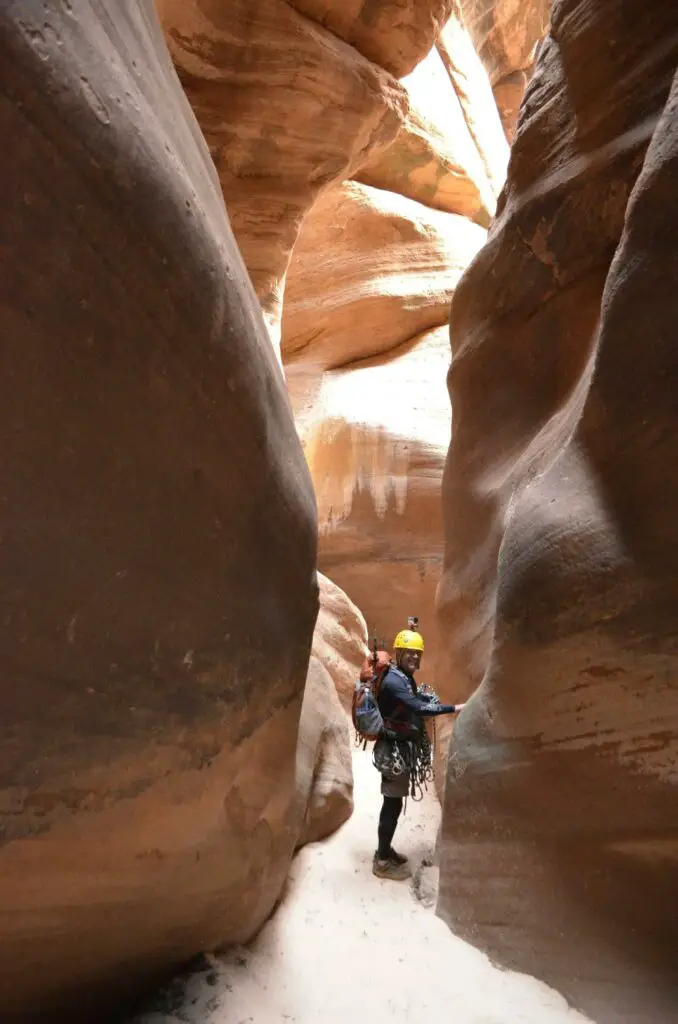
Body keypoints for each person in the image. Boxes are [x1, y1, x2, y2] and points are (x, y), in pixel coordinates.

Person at [373, 627, 463, 881]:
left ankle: (385, 850)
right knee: (391, 804)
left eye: (417, 653)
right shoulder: (393, 680)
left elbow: (413, 698)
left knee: (393, 802)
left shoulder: (402, 677)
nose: (414, 657)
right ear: (399, 653)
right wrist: (453, 707)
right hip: (393, 753)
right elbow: (415, 705)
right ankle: (381, 859)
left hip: (398, 749)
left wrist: (425, 698)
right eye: (410, 653)